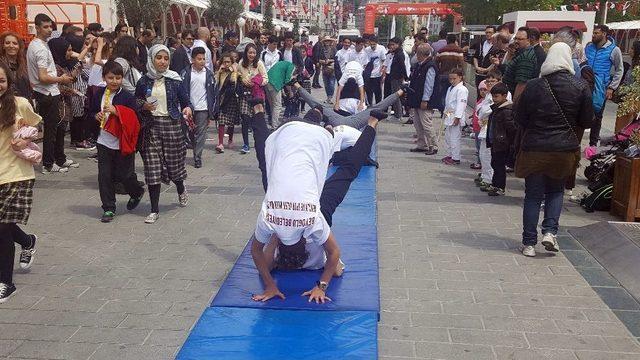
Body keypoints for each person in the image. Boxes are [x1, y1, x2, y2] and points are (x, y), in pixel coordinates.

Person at [249, 106, 388, 303]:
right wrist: (275, 236)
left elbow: (336, 265)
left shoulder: (309, 226)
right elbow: (259, 255)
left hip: (306, 178)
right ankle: (258, 111)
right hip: (288, 145)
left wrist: (321, 285)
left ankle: (372, 123)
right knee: (265, 163)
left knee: (348, 171)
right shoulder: (276, 221)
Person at [515, 43, 593, 257]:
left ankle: (529, 244)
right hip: (563, 149)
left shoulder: (533, 85)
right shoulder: (580, 86)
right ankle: (550, 232)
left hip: (535, 149)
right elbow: (587, 120)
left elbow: (519, 117)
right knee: (556, 191)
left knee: (532, 196)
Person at [135, 44, 193, 224]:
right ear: (152, 59)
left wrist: (187, 108)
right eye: (158, 57)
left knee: (174, 167)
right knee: (152, 168)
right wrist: (143, 105)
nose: (162, 61)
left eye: (166, 58)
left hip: (172, 125)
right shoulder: (143, 80)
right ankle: (154, 209)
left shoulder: (174, 79)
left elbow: (185, 101)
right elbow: (135, 100)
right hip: (151, 127)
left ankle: (181, 187)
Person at [0, 61, 42, 303]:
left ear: (8, 82)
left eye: (2, 81)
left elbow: (38, 126)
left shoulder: (20, 104)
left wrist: (25, 139)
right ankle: (28, 241)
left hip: (17, 173)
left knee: (2, 228)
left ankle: (6, 282)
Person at [88, 61, 145, 223]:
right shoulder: (99, 94)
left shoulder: (127, 96)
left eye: (118, 78)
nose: (114, 81)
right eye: (110, 77)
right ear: (104, 78)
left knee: (124, 175)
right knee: (104, 175)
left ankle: (136, 192)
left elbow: (135, 118)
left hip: (122, 142)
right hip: (103, 141)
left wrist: (117, 111)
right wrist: (95, 116)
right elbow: (91, 111)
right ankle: (108, 208)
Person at [26, 14, 75, 174]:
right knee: (51, 131)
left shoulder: (38, 44)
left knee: (54, 129)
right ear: (37, 27)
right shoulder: (39, 48)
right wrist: (61, 79)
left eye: (50, 27)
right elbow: (43, 77)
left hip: (45, 92)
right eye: (45, 27)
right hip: (47, 93)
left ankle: (57, 159)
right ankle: (49, 163)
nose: (49, 30)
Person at [294, 81, 411, 130]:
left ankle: (297, 85)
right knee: (376, 108)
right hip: (348, 122)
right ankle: (400, 91)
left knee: (317, 105)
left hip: (341, 121)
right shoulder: (356, 90)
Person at [585, 24, 624, 148]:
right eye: (593, 33)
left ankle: (593, 144)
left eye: (596, 33)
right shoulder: (588, 47)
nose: (593, 35)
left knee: (597, 115)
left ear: (604, 34)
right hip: (584, 84)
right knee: (581, 111)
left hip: (600, 87)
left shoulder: (614, 50)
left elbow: (619, 69)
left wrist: (611, 87)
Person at [181, 47, 217, 168]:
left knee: (200, 133)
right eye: (199, 59)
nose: (202, 61)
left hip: (203, 108)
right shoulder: (186, 72)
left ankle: (197, 157)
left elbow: (212, 92)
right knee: (191, 132)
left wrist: (211, 108)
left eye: (203, 59)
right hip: (189, 108)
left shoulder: (208, 74)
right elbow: (182, 90)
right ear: (193, 59)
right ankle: (194, 148)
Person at [408, 44, 440, 156]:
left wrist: (425, 100)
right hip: (416, 99)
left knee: (426, 124)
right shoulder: (420, 65)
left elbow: (428, 85)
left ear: (421, 54)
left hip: (424, 100)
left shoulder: (430, 66)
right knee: (418, 123)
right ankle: (422, 144)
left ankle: (433, 145)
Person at [484, 83, 515, 197]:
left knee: (499, 165)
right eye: (493, 96)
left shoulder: (506, 111)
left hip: (502, 143)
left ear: (504, 96)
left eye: (496, 96)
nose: (494, 99)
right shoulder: (497, 109)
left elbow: (511, 129)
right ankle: (495, 184)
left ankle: (500, 187)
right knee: (495, 163)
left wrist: (508, 142)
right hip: (495, 142)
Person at [237, 44, 268, 154]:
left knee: (257, 120)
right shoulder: (241, 63)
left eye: (254, 53)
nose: (251, 55)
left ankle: (259, 142)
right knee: (245, 119)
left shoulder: (259, 63)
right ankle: (246, 144)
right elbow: (237, 73)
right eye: (250, 52)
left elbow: (265, 78)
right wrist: (242, 79)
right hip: (245, 94)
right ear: (246, 53)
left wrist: (257, 82)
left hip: (256, 94)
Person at [493, 27, 537, 102]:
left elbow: (521, 84)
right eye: (515, 38)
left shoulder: (526, 57)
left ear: (528, 40)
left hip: (514, 98)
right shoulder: (521, 53)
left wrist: (514, 105)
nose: (516, 41)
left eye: (520, 39)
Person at [213, 53, 240, 154]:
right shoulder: (220, 72)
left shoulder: (235, 72)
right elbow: (215, 83)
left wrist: (233, 71)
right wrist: (219, 72)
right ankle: (220, 143)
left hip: (232, 99)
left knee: (231, 121)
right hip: (222, 99)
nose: (226, 64)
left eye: (228, 62)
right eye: (224, 62)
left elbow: (234, 81)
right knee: (221, 121)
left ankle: (230, 139)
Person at [442, 68, 468, 166]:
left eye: (454, 78)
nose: (452, 81)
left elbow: (461, 105)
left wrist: (457, 117)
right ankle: (450, 155)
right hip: (449, 114)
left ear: (460, 77)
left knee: (454, 138)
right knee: (448, 137)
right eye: (450, 79)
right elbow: (448, 102)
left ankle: (456, 158)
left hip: (456, 115)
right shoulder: (450, 88)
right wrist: (445, 113)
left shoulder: (462, 89)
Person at [384, 37, 410, 121]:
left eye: (393, 45)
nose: (392, 46)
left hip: (397, 78)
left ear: (398, 45)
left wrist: (405, 77)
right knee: (394, 95)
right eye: (390, 45)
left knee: (396, 96)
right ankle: (397, 114)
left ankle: (398, 115)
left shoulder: (400, 54)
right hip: (393, 77)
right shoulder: (395, 53)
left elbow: (403, 66)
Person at [0, 31, 31, 99]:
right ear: (3, 46)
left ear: (19, 46)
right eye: (7, 43)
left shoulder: (24, 63)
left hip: (24, 103)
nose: (11, 46)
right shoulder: (1, 65)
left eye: (15, 43)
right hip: (7, 103)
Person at [265, 58, 294, 129]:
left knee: (272, 105)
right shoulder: (291, 66)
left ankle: (272, 123)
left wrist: (282, 91)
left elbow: (279, 76)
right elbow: (287, 80)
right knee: (278, 106)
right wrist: (290, 92)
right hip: (274, 84)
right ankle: (275, 125)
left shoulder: (282, 63)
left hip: (267, 81)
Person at [364, 35, 386, 105]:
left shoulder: (381, 49)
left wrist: (383, 73)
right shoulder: (367, 50)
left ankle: (378, 106)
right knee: (368, 91)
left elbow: (384, 61)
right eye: (371, 44)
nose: (372, 46)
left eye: (374, 44)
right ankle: (370, 105)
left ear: (377, 43)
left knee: (378, 92)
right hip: (369, 74)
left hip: (377, 74)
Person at [319, 36, 337, 104]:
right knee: (326, 84)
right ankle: (328, 97)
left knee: (332, 84)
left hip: (332, 69)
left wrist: (329, 60)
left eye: (328, 41)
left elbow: (336, 59)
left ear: (330, 42)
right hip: (324, 68)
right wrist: (323, 61)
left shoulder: (333, 49)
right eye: (326, 41)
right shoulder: (322, 49)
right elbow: (319, 59)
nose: (327, 42)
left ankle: (330, 97)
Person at [299, 44, 315, 112]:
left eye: (303, 52)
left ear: (306, 52)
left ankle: (303, 107)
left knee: (305, 94)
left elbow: (312, 70)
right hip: (299, 78)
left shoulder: (309, 60)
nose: (302, 53)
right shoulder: (297, 59)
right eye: (300, 52)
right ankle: (297, 107)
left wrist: (310, 75)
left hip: (306, 79)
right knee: (298, 94)